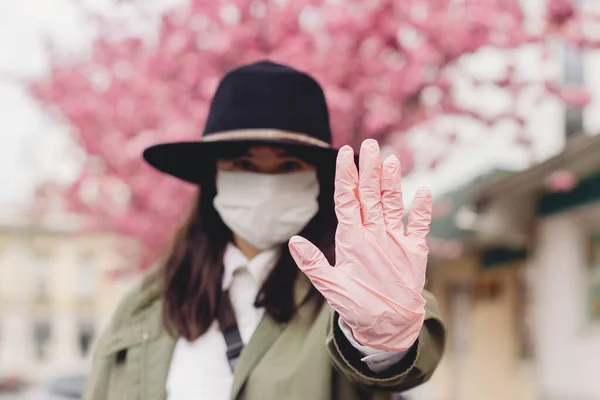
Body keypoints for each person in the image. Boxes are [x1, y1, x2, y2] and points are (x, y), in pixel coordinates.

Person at [83, 61, 446, 400]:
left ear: (317, 179)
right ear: (215, 176)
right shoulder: (145, 305)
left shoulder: (352, 295)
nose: (267, 184)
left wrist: (381, 343)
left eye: (289, 164)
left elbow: (403, 357)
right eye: (244, 163)